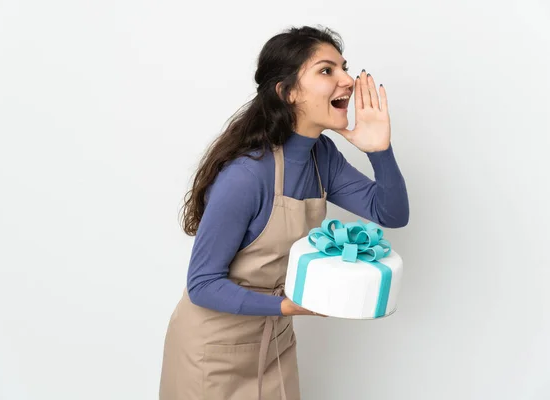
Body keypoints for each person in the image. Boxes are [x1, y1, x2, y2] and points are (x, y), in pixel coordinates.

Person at [159, 25, 409, 400]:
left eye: (344, 67)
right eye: (327, 71)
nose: (348, 80)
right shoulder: (246, 175)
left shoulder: (321, 156)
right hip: (211, 352)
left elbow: (389, 212)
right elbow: (202, 285)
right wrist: (288, 305)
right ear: (287, 92)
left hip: (273, 341)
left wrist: (380, 150)